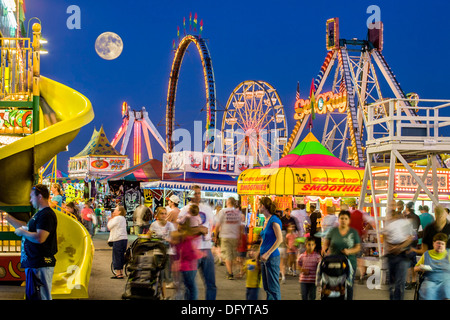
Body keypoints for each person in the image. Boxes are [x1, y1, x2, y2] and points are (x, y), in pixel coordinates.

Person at [5, 184, 58, 300]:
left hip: (40, 263)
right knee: (34, 295)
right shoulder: (39, 214)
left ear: (39, 196)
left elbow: (40, 238)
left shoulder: (46, 215)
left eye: (31, 197)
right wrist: (8, 218)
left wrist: (22, 233)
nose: (30, 200)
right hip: (34, 263)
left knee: (41, 296)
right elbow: (26, 227)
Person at [177, 185, 217, 300]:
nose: (197, 196)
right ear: (190, 195)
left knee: (211, 284)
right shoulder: (185, 210)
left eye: (199, 193)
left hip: (207, 248)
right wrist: (199, 230)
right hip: (192, 249)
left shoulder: (207, 208)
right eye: (195, 193)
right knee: (190, 286)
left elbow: (210, 226)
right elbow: (180, 228)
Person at [322, 210, 361, 300]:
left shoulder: (353, 232)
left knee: (349, 286)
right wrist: (324, 249)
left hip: (350, 263)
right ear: (338, 219)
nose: (343, 220)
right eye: (341, 218)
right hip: (334, 263)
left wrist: (349, 251)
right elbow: (326, 243)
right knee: (334, 285)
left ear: (349, 220)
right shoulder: (333, 231)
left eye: (345, 218)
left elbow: (358, 247)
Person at [171, 204, 207, 300]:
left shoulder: (178, 238)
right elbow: (189, 254)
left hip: (180, 268)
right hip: (188, 267)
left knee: (185, 288)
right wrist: (200, 254)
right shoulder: (187, 239)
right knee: (192, 289)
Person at [383, 201, 414, 300]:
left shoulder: (404, 224)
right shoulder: (390, 224)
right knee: (393, 284)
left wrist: (398, 247)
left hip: (401, 255)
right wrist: (390, 246)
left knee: (398, 283)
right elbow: (385, 236)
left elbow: (410, 238)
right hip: (392, 255)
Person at [258, 197, 283, 300]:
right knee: (267, 287)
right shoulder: (265, 220)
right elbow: (264, 239)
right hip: (264, 258)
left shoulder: (274, 220)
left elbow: (279, 239)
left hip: (271, 258)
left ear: (263, 206)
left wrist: (267, 253)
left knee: (273, 287)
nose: (258, 207)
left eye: (259, 205)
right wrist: (258, 252)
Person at [149, 206, 175, 299]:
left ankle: (163, 296)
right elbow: (149, 236)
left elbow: (174, 238)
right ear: (157, 215)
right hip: (157, 252)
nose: (164, 215)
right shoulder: (154, 225)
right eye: (162, 213)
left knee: (165, 276)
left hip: (168, 252)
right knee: (159, 275)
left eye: (165, 213)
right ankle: (162, 295)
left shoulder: (170, 225)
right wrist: (152, 237)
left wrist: (169, 239)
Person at [414, 233, 450, 300]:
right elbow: (415, 269)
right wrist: (420, 268)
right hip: (430, 280)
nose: (440, 245)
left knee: (447, 288)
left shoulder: (449, 253)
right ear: (433, 243)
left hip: (446, 280)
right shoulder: (427, 254)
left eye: (442, 244)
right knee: (428, 290)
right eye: (438, 243)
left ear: (445, 245)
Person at [215, 197, 242, 280]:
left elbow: (217, 225)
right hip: (235, 236)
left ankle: (230, 273)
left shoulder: (223, 211)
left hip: (225, 236)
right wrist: (240, 237)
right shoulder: (238, 213)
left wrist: (215, 235)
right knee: (232, 255)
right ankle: (233, 270)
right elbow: (240, 226)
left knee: (227, 256)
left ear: (228, 202)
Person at [107, 205, 128, 279]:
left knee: (117, 256)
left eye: (116, 210)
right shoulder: (123, 218)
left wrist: (111, 219)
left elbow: (109, 226)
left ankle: (118, 273)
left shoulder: (117, 218)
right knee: (121, 256)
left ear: (119, 212)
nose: (114, 211)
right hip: (124, 239)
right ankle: (121, 272)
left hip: (118, 239)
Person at [404, 201, 421, 290]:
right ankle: (414, 281)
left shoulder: (407, 217)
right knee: (413, 263)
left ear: (407, 208)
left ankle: (407, 282)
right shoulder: (417, 217)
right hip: (415, 242)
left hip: (408, 242)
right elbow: (419, 230)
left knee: (407, 263)